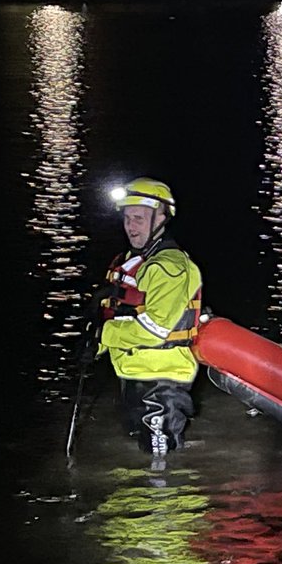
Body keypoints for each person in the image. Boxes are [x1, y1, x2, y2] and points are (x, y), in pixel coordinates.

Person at [85, 177, 203, 455]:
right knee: (141, 455)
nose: (130, 226)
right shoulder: (131, 261)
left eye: (139, 218)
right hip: (135, 373)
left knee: (159, 461)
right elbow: (120, 314)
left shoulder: (169, 267)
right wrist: (94, 344)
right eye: (127, 218)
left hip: (162, 379)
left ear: (161, 218)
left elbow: (154, 329)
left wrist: (105, 334)